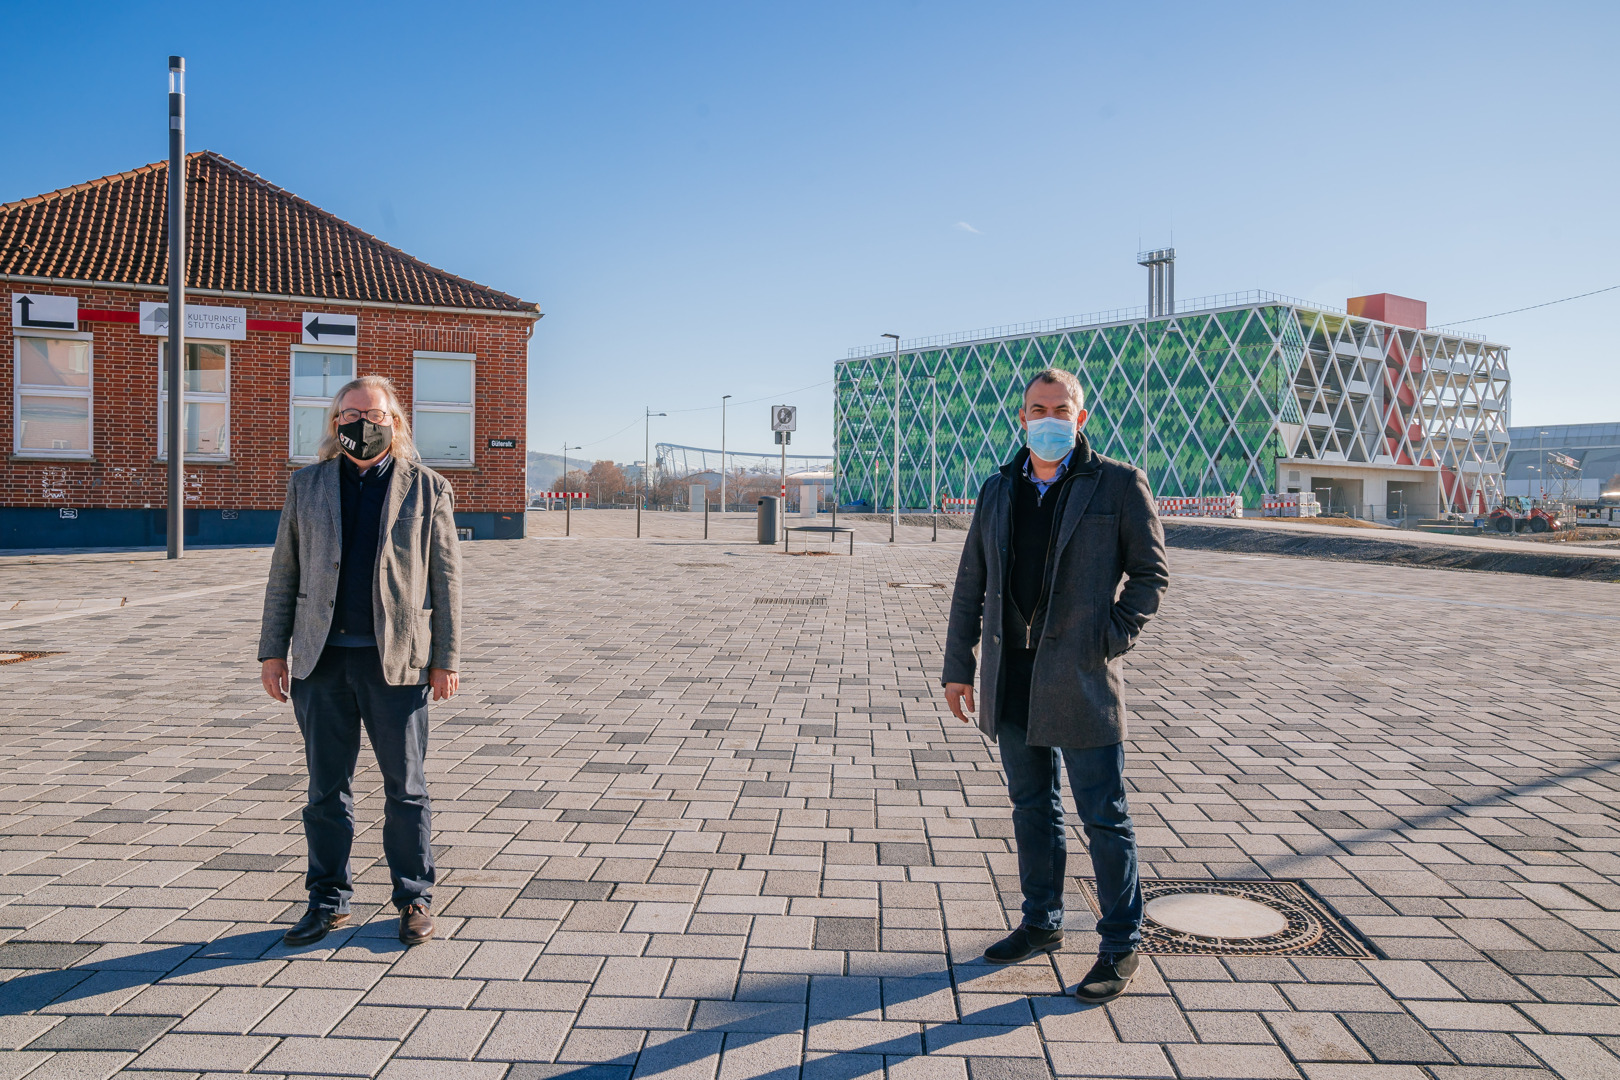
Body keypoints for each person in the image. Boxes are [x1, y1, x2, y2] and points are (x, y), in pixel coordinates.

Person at [942, 368, 1168, 1003]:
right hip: (1011, 676)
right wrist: (959, 666)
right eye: (1037, 408)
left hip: (1082, 677)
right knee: (1031, 806)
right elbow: (971, 584)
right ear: (1021, 417)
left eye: (1060, 408)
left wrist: (1110, 637)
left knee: (1104, 816)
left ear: (1081, 416)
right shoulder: (997, 489)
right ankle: (1042, 922)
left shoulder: (1118, 484)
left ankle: (1120, 943)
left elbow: (1151, 575)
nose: (1049, 417)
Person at [258, 374, 461, 947]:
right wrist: (273, 651)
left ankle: (414, 897)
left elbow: (447, 582)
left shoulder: (427, 488)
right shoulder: (307, 486)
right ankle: (327, 900)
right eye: (348, 416)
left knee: (406, 788)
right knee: (325, 791)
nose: (360, 426)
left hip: (396, 664)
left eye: (372, 416)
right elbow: (284, 573)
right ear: (334, 424)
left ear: (394, 422)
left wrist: (445, 657)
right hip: (320, 663)